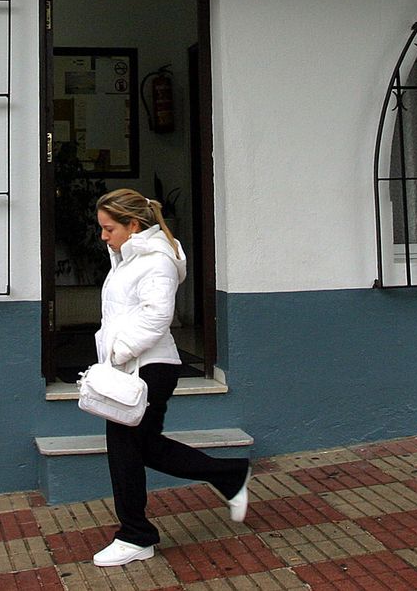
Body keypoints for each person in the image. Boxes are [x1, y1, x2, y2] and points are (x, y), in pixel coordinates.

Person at [89, 188, 251, 568]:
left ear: (133, 225)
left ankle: (136, 535)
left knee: (124, 450)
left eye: (109, 229)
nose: (103, 237)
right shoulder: (129, 258)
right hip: (137, 366)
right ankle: (231, 475)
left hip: (148, 368)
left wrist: (117, 353)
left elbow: (157, 316)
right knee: (144, 447)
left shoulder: (156, 261)